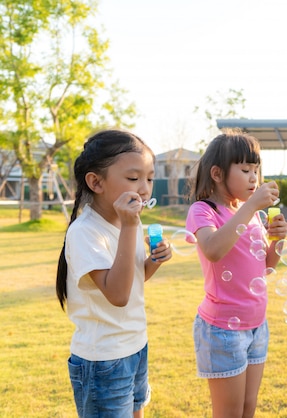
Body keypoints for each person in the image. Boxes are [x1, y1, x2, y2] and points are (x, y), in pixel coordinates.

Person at [55, 129, 173, 417]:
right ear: (95, 182)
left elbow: (132, 280)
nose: (144, 188)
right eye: (133, 178)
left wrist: (153, 261)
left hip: (135, 344)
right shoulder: (85, 232)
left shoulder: (128, 222)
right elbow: (118, 295)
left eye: (149, 177)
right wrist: (131, 227)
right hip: (103, 360)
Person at [185, 131, 287, 418]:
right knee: (229, 412)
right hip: (222, 329)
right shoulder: (203, 210)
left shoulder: (249, 212)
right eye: (245, 170)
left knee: (247, 408)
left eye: (256, 170)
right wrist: (253, 205)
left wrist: (278, 240)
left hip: (256, 324)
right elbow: (213, 250)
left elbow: (265, 266)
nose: (254, 178)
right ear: (217, 173)